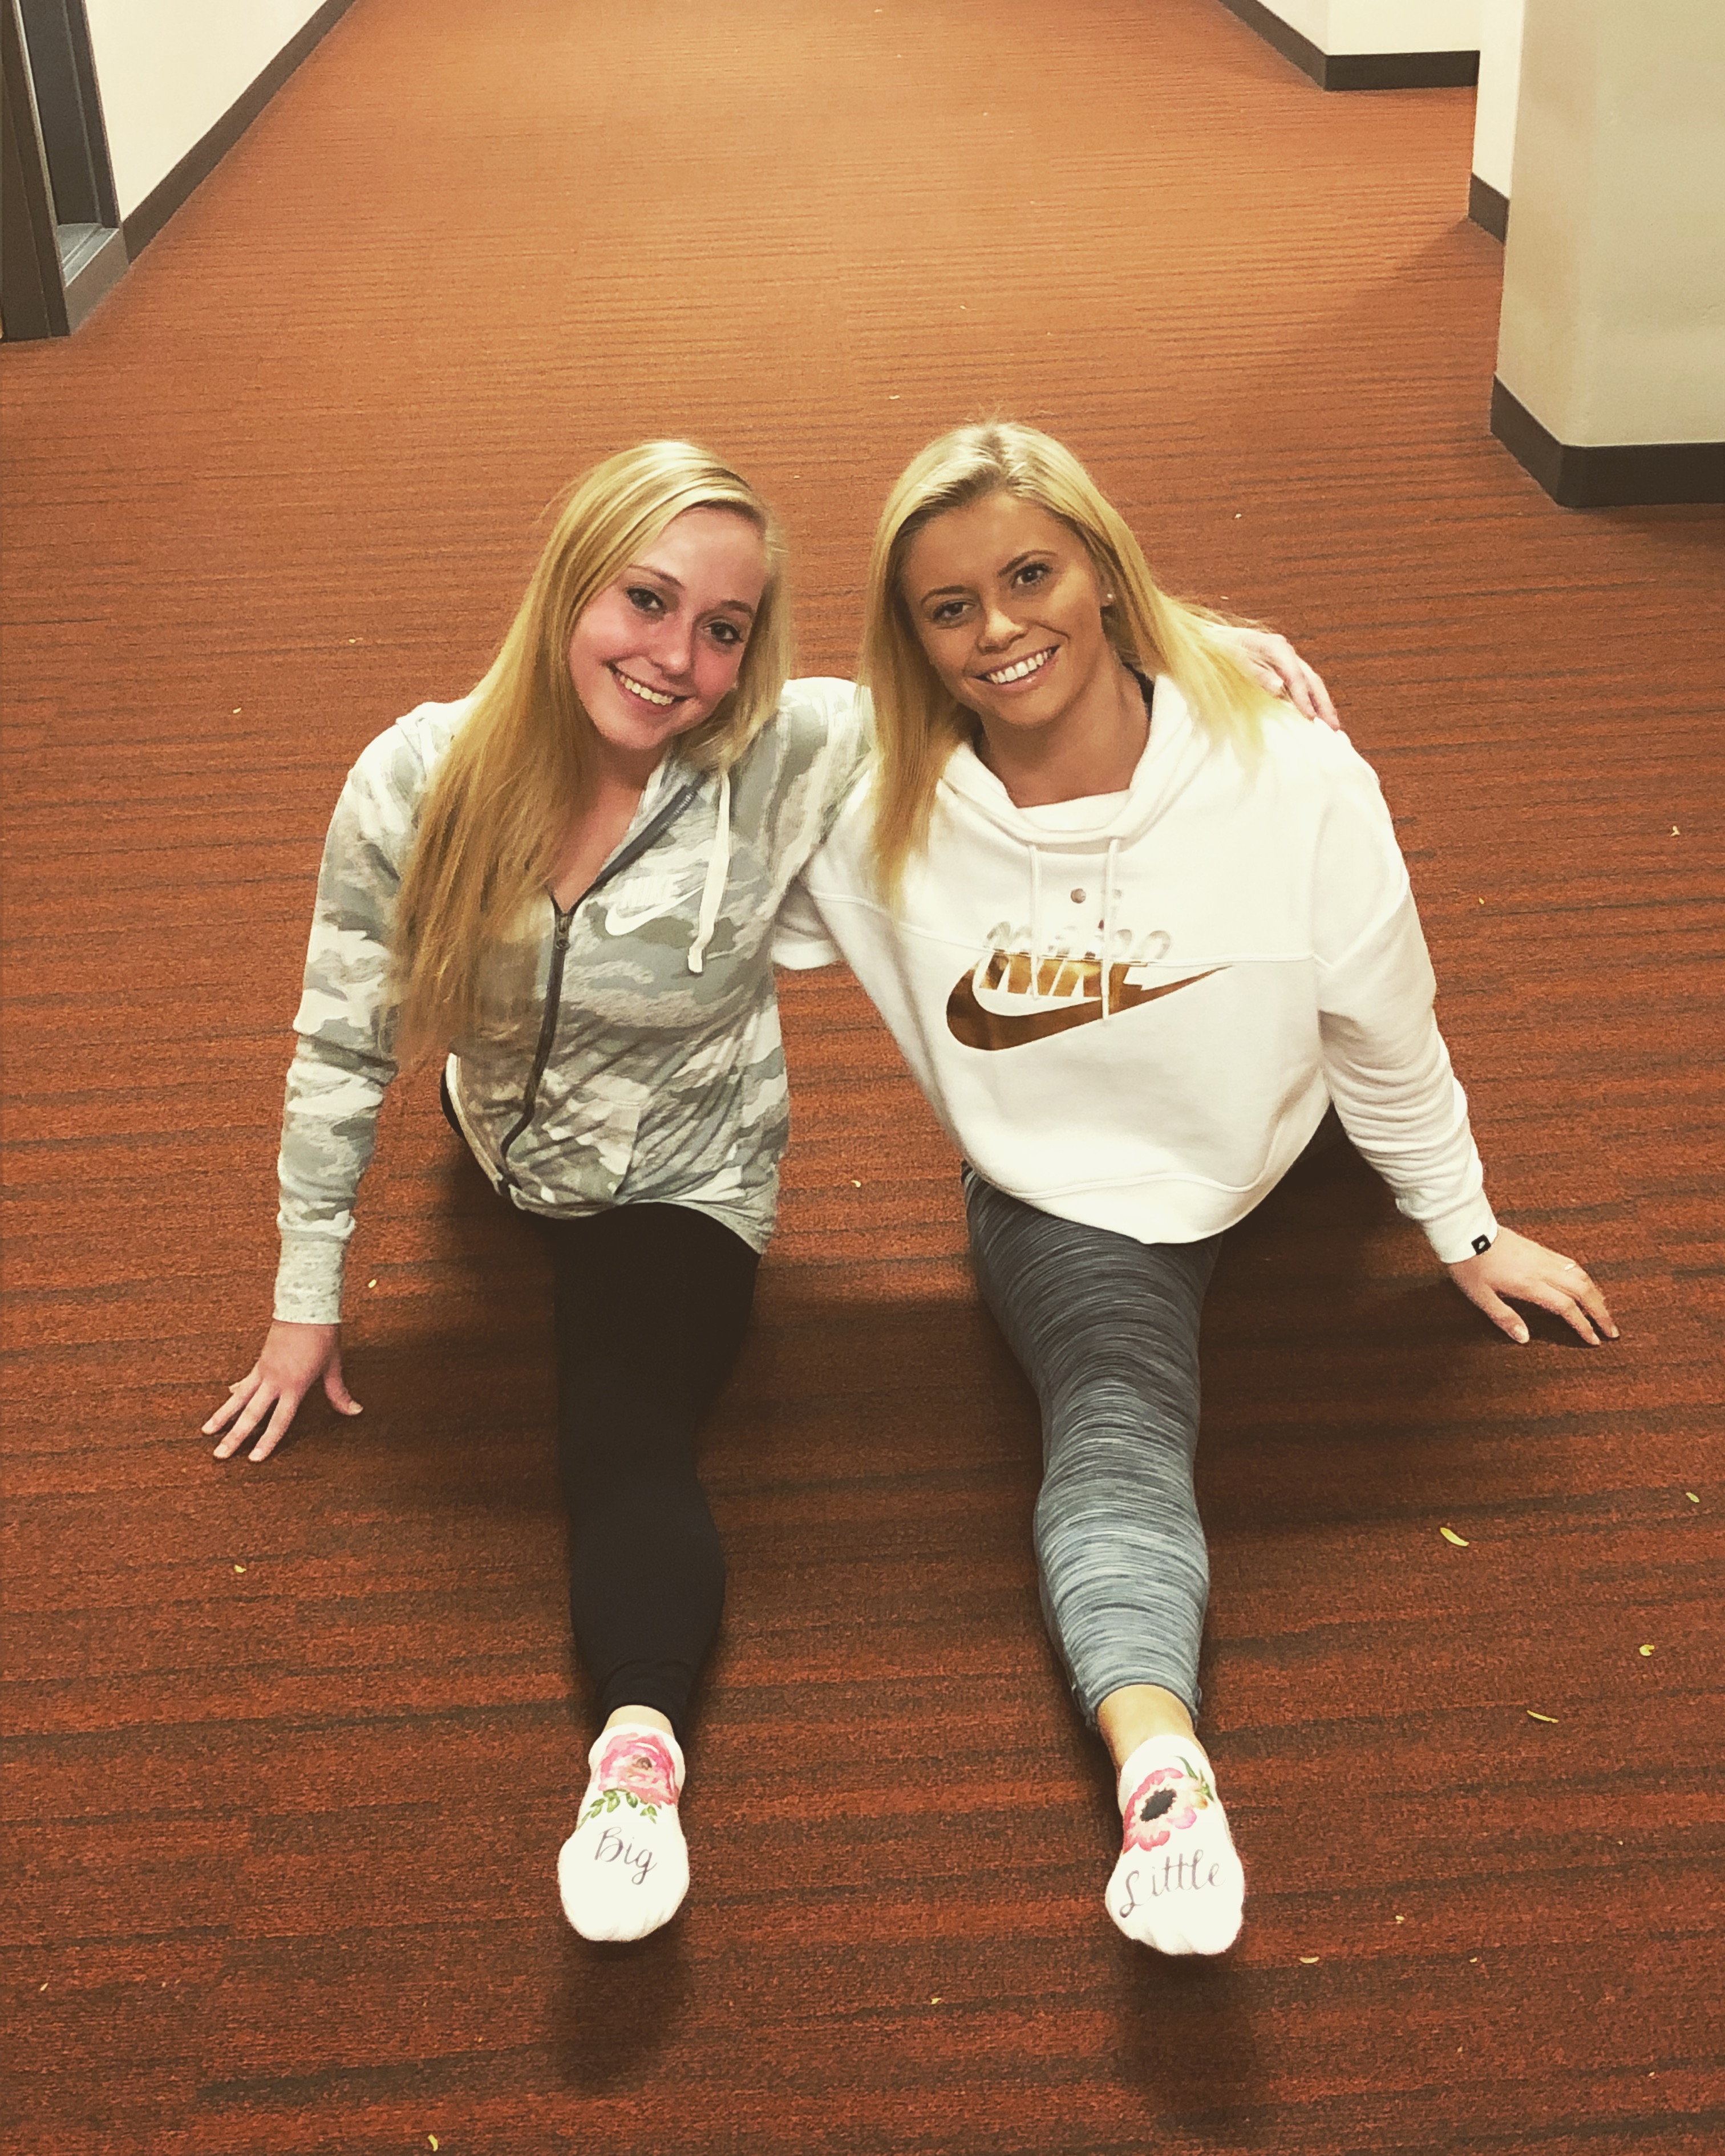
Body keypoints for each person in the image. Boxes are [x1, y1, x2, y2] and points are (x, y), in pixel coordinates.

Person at [202, 437, 1331, 1946]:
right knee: (565, 1345)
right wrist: (306, 1301)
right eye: (646, 602)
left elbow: (995, 666)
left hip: (685, 1172)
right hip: (498, 1137)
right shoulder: (414, 778)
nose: (678, 660)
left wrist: (1185, 651)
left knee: (620, 1423)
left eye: (724, 629)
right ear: (568, 587)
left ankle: (635, 1762)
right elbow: (344, 1041)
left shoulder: (783, 753)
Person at [778, 421, 1617, 1959]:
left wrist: (1465, 1226)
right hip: (1071, 1197)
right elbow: (665, 737)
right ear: (913, 638)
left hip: (1281, 1123)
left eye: (1033, 577)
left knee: (1347, 1090)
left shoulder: (1291, 779)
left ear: (1103, 570)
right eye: (950, 608)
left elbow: (1383, 1025)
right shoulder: (868, 795)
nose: (998, 630)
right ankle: (1164, 1777)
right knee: (1116, 1429)